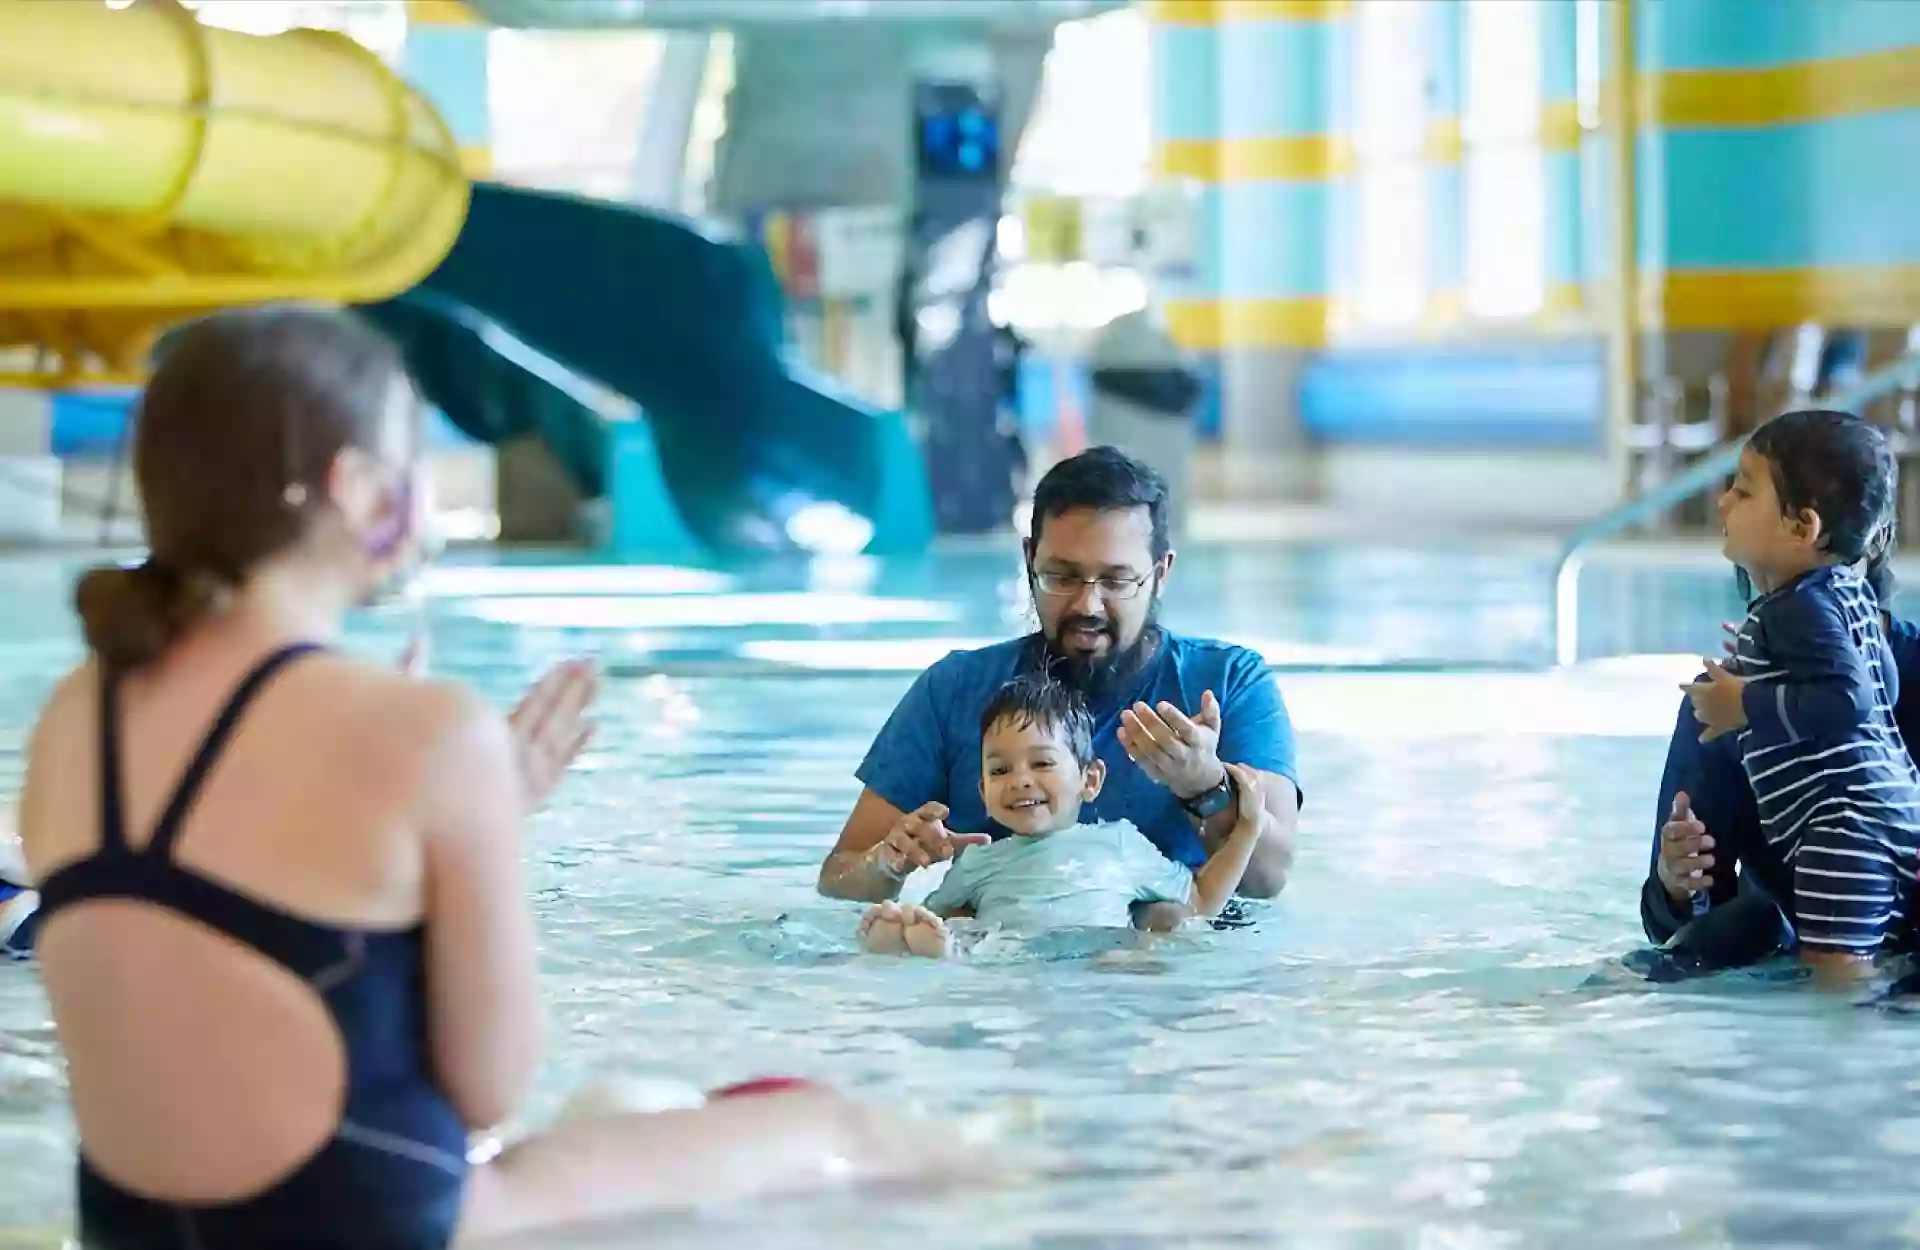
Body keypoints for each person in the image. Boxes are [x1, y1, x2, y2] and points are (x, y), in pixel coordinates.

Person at [15, 306, 955, 1250]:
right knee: (831, 1132)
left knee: (626, 1115)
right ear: (357, 490)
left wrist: (445, 819)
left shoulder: (75, 716)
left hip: (130, 1228)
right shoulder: (427, 732)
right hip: (376, 1223)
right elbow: (488, 1090)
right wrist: (475, 820)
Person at [817, 446, 1300, 930]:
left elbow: (1266, 880)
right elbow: (839, 879)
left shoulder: (1227, 682)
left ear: (1160, 574)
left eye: (1117, 580)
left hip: (1166, 977)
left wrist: (1206, 787)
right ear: (1030, 561)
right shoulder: (956, 690)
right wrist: (888, 862)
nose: (1088, 604)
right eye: (1062, 576)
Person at [1649, 410, 1920, 984]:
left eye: (1742, 492)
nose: (1722, 503)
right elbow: (1679, 916)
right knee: (1704, 948)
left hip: (1847, 885)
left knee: (1841, 991)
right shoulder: (1722, 693)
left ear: (1805, 529)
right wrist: (1678, 884)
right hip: (1806, 929)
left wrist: (1756, 699)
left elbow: (1851, 698)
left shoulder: (1743, 691)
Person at [857, 677, 1268, 958]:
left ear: (1090, 780)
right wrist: (920, 917)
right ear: (983, 792)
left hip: (1100, 965)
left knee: (1133, 957)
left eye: (1041, 764)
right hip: (1007, 961)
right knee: (962, 935)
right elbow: (937, 914)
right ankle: (921, 953)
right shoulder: (979, 860)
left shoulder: (1119, 843)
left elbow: (1198, 901)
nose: (1020, 781)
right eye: (1000, 771)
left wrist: (1247, 829)